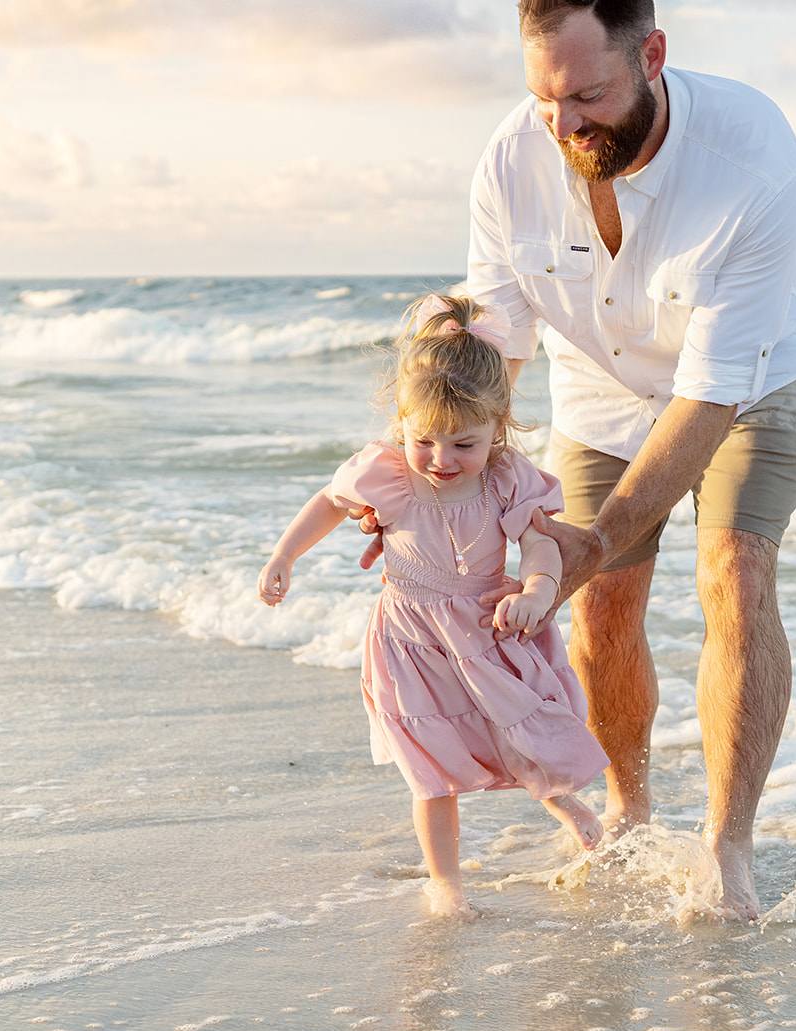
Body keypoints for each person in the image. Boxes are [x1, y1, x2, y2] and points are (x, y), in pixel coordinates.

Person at [464, 0, 796, 920]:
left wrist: (597, 537)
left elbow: (708, 396)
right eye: (546, 100)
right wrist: (428, 479)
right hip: (599, 383)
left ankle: (728, 847)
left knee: (734, 573)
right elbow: (496, 347)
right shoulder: (512, 160)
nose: (564, 126)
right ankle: (627, 811)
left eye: (588, 96)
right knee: (603, 604)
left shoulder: (753, 160)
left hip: (751, 378)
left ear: (653, 56)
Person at [257, 292, 610, 921]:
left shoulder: (505, 478)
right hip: (410, 641)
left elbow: (538, 544)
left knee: (518, 727)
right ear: (402, 421)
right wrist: (286, 555)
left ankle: (563, 804)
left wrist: (538, 590)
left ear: (498, 425)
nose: (443, 459)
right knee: (429, 765)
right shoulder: (386, 475)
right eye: (426, 441)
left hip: (485, 628)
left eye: (464, 445)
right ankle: (445, 881)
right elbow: (328, 504)